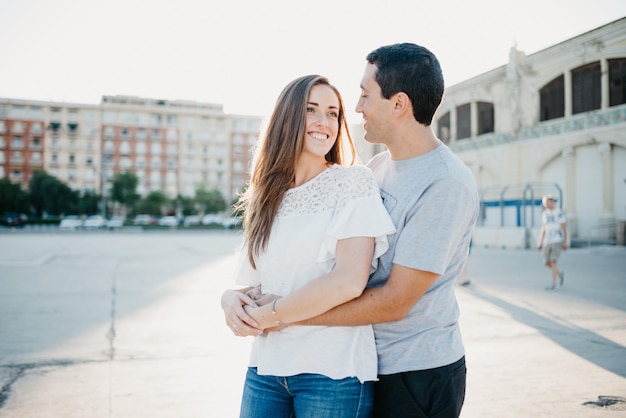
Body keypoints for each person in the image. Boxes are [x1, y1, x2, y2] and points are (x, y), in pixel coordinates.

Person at [225, 43, 480, 418]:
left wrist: (281, 314)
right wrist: (238, 301)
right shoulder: (378, 168)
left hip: (418, 369)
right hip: (373, 361)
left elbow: (394, 301)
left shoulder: (445, 184)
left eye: (364, 95)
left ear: (398, 104)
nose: (356, 108)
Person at [221, 74, 395, 418]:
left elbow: (349, 280)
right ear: (287, 117)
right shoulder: (265, 196)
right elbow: (257, 284)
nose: (323, 122)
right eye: (311, 109)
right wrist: (229, 301)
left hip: (331, 371)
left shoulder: (351, 181)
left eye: (333, 113)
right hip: (266, 368)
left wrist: (274, 314)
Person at [537, 194, 568, 290]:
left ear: (552, 202)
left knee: (553, 261)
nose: (546, 205)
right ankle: (559, 272)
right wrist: (540, 241)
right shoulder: (545, 214)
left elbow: (563, 227)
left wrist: (565, 241)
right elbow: (544, 228)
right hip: (548, 241)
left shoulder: (559, 212)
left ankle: (553, 283)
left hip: (557, 240)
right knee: (547, 262)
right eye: (544, 203)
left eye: (547, 203)